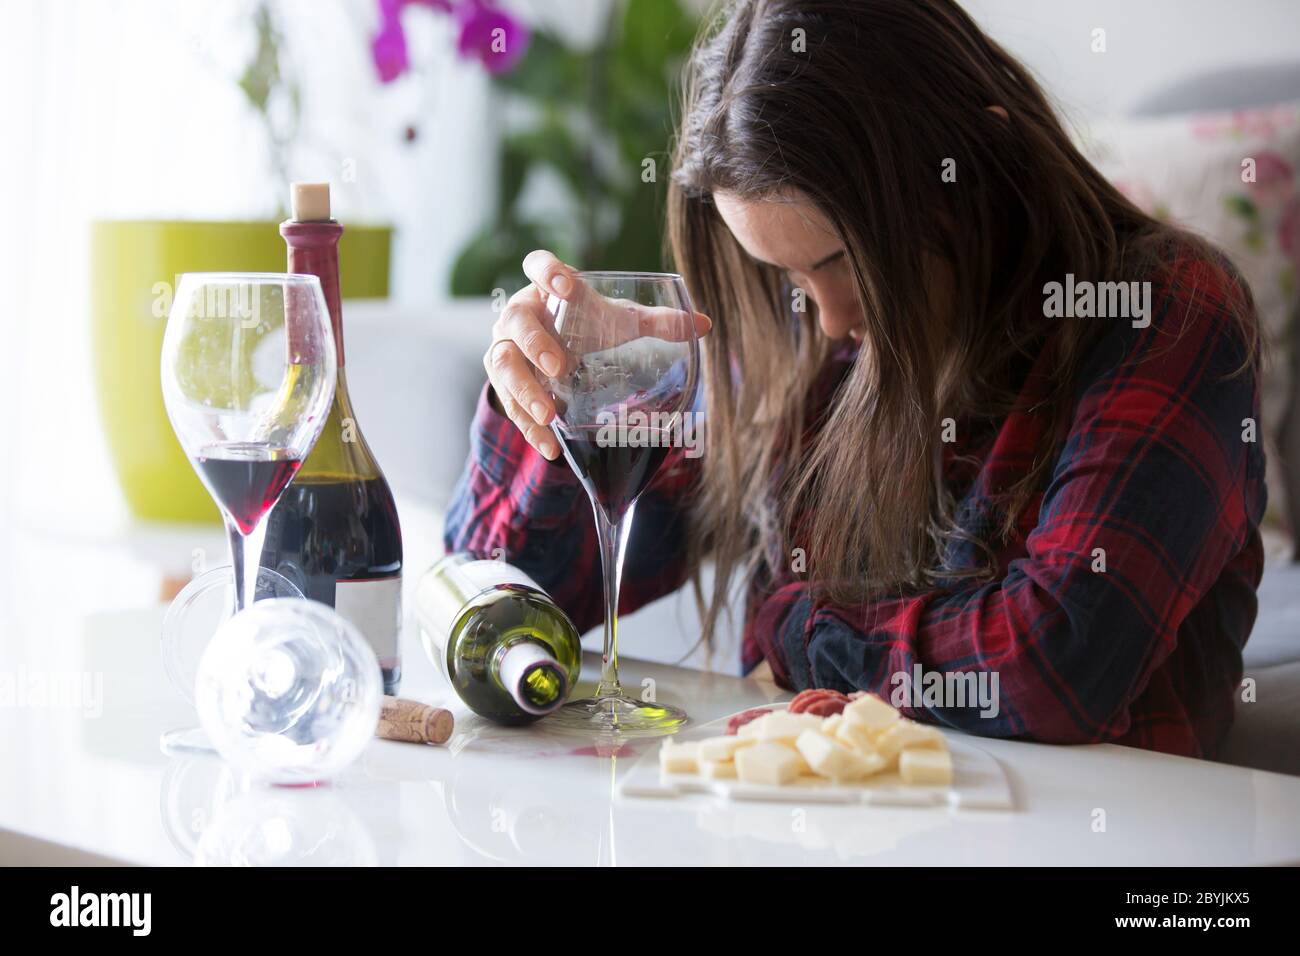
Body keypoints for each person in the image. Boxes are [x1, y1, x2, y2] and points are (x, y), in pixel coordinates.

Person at [445, 0, 1265, 758]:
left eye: (847, 264)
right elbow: (516, 607)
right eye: (794, 279)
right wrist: (555, 402)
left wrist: (798, 629)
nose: (831, 320)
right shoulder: (803, 343)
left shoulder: (1165, 312)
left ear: (981, 167)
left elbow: (1054, 663)